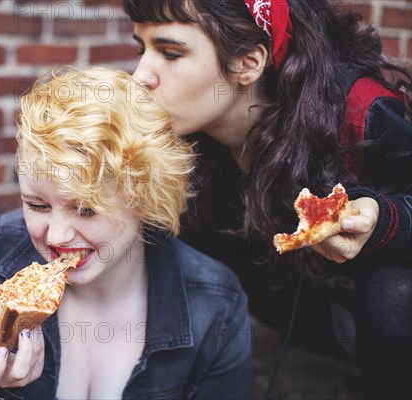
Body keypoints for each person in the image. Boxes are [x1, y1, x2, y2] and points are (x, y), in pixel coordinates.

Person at [124, 0, 411, 398]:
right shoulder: (178, 136)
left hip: (383, 319)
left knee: (392, 289)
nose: (140, 76)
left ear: (247, 62)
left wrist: (383, 220)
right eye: (142, 49)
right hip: (297, 311)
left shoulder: (358, 111)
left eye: (171, 53)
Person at [0, 68, 252, 399]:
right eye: (38, 205)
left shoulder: (215, 303)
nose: (56, 236)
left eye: (87, 209)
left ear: (145, 199)